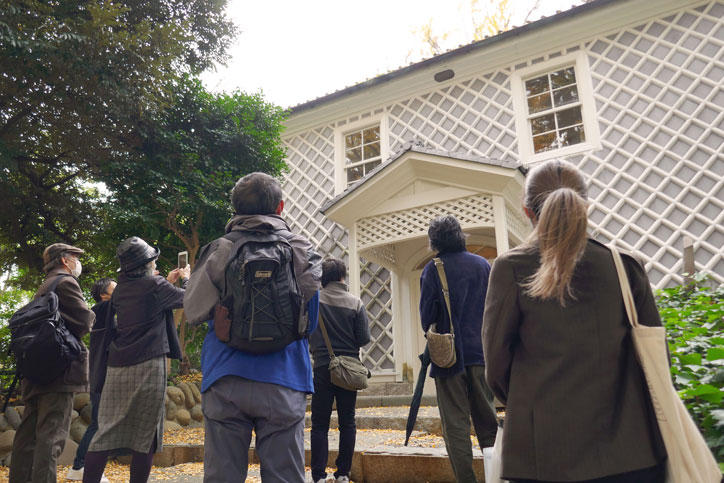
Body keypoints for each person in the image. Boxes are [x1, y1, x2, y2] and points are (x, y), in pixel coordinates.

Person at [482, 159, 667, 483]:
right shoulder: (626, 266)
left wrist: (532, 403)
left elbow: (496, 367)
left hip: (545, 457)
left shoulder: (511, 268)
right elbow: (658, 361)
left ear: (526, 211)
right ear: (586, 206)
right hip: (632, 453)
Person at [184, 172, 322, 482]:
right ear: (280, 207)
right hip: (284, 379)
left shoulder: (220, 248)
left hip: (226, 378)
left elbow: (193, 310)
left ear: (235, 209)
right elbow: (310, 322)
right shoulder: (301, 249)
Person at [82, 237, 190, 483]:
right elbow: (188, 298)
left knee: (105, 431)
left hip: (117, 365)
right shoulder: (155, 285)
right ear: (146, 264)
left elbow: (149, 300)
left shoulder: (121, 288)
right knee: (146, 434)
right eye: (153, 260)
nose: (155, 263)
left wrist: (167, 282)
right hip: (149, 363)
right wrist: (186, 278)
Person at [419, 215, 498, 483]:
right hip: (481, 354)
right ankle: (495, 476)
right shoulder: (482, 265)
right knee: (488, 422)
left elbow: (426, 318)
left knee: (456, 426)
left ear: (434, 241)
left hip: (448, 359)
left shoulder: (433, 269)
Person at [9, 243, 95, 483]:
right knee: (52, 437)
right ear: (65, 261)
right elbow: (84, 322)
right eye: (75, 257)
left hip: (36, 373)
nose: (78, 262)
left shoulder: (45, 286)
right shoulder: (66, 282)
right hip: (59, 373)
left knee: (27, 437)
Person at [309, 258, 370, 483]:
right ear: (343, 277)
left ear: (322, 277)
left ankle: (318, 476)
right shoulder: (355, 303)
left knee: (319, 424)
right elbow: (364, 338)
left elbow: (305, 330)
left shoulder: (314, 301)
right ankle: (343, 473)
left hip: (322, 367)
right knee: (347, 422)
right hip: (348, 370)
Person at [66, 278, 117, 482]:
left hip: (101, 376)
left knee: (99, 424)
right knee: (98, 424)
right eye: (115, 287)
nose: (120, 289)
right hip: (101, 377)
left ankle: (80, 466)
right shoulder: (101, 309)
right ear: (104, 295)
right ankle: (80, 466)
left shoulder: (106, 312)